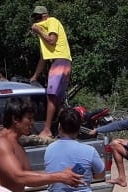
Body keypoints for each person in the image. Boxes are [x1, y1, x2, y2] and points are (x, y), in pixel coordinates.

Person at [29, 5, 71, 139]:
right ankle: (68, 126)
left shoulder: (52, 21)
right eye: (34, 18)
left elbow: (52, 40)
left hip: (61, 61)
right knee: (57, 100)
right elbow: (43, 58)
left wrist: (38, 30)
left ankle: (47, 129)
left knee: (51, 96)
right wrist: (35, 76)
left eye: (38, 17)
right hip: (59, 62)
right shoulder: (43, 34)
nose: (36, 21)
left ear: (45, 16)